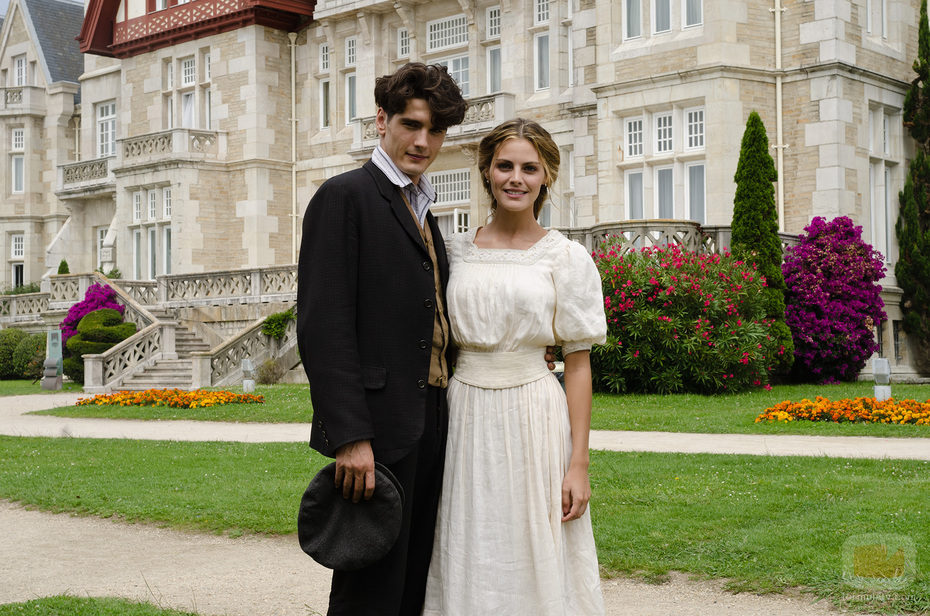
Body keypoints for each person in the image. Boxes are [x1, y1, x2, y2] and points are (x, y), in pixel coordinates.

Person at [296, 63, 467, 616]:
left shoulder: (422, 207)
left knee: (415, 579)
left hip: (431, 414)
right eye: (412, 125)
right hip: (377, 425)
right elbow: (323, 327)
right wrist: (351, 437)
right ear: (381, 120)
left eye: (436, 130)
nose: (423, 141)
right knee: (369, 587)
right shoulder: (345, 196)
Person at [422, 118, 608, 615]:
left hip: (535, 415)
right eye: (505, 165)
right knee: (466, 537)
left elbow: (579, 363)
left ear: (546, 175)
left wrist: (579, 463)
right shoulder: (454, 251)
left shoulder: (565, 258)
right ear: (486, 171)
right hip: (461, 414)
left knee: (533, 542)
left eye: (530, 167)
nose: (516, 178)